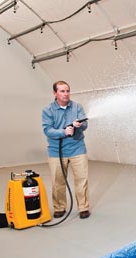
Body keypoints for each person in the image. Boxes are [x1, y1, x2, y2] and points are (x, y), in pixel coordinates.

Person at [42, 80, 90, 219]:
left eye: (68, 90)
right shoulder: (48, 110)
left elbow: (85, 124)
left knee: (82, 179)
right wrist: (64, 132)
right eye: (62, 91)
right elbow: (48, 130)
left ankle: (83, 207)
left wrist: (79, 125)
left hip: (77, 149)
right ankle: (59, 207)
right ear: (55, 93)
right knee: (58, 182)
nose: (66, 94)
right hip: (56, 151)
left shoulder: (77, 107)